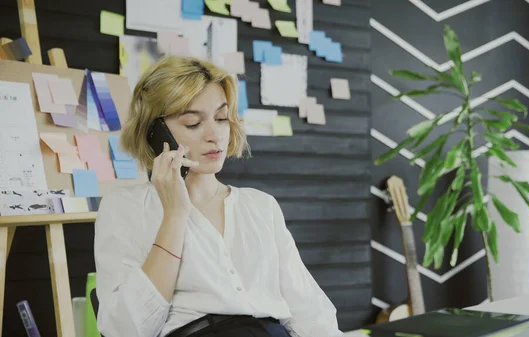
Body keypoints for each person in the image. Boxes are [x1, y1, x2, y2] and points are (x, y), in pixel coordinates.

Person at [93, 56, 344, 337]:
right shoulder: (125, 208)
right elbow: (123, 330)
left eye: (222, 118)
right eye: (192, 123)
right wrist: (174, 216)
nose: (215, 135)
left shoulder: (260, 206)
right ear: (154, 132)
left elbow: (308, 310)